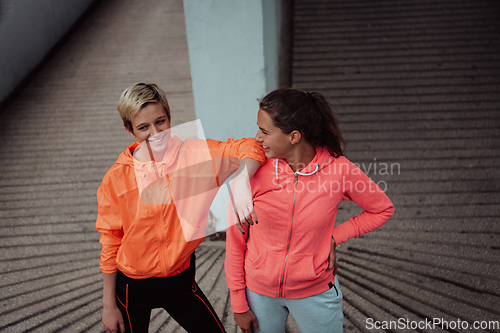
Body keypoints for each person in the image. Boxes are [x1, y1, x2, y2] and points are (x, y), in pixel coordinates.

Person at [96, 83, 265, 333]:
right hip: (133, 286)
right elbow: (110, 241)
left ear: (169, 117)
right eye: (143, 127)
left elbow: (248, 147)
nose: (155, 133)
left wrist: (241, 181)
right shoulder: (116, 178)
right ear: (129, 129)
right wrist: (108, 306)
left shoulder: (196, 155)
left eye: (160, 121)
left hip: (180, 280)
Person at [225, 87, 395, 333]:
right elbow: (235, 241)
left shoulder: (340, 170)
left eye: (264, 131)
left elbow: (381, 210)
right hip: (259, 294)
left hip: (314, 292)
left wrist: (334, 237)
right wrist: (239, 303)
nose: (257, 138)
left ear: (293, 136)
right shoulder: (254, 170)